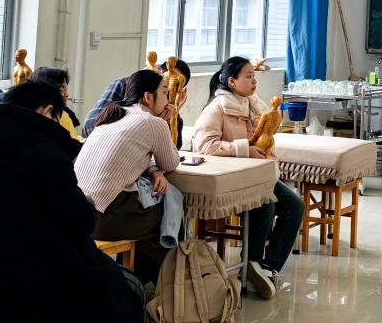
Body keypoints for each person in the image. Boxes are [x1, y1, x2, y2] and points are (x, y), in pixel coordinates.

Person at [0, 80, 144, 322]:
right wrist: (88, 203)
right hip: (31, 282)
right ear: (47, 112)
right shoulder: (44, 151)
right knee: (127, 287)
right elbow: (80, 222)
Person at [192, 57, 303, 301]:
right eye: (248, 76)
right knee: (265, 204)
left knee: (295, 205)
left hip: (259, 176)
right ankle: (250, 267)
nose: (254, 81)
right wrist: (243, 149)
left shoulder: (254, 104)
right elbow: (204, 145)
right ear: (232, 82)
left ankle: (266, 268)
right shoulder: (217, 107)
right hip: (235, 180)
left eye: (254, 75)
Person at [75, 70, 180, 284]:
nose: (168, 99)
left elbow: (134, 155)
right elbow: (171, 163)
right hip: (102, 218)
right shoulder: (153, 123)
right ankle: (158, 285)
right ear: (148, 97)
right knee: (169, 211)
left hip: (77, 212)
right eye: (164, 92)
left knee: (151, 208)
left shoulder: (112, 115)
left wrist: (154, 169)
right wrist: (166, 124)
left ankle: (139, 283)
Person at [82, 57, 190, 143]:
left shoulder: (170, 108)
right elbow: (90, 126)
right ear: (159, 72)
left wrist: (173, 115)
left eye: (177, 85)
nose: (171, 88)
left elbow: (174, 147)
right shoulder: (125, 85)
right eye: (168, 81)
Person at [31, 66, 83, 141]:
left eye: (65, 88)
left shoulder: (21, 112)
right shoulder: (60, 115)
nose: (66, 94)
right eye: (61, 89)